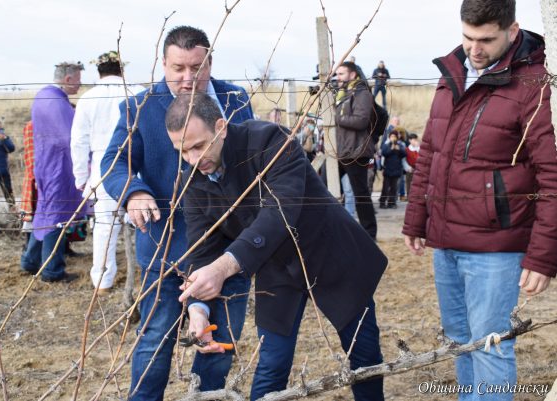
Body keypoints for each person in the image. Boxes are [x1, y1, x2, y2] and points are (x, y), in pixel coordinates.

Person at [167, 93, 387, 401]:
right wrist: (198, 309)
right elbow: (202, 249)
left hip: (330, 253)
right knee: (272, 362)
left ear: (221, 126)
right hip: (275, 269)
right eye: (182, 151)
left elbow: (280, 212)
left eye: (199, 146)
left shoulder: (269, 141)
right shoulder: (192, 181)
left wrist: (224, 267)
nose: (192, 159)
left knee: (363, 353)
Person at [403, 1, 556, 398]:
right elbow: (431, 151)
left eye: (486, 39)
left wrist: (543, 256)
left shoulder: (533, 85)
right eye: (468, 37)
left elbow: (552, 176)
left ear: (513, 30)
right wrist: (416, 217)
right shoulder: (452, 73)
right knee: (460, 340)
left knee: (490, 345)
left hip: (496, 246)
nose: (475, 48)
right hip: (446, 241)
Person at [101, 26, 254, 401]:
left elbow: (251, 157)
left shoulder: (235, 99)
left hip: (226, 248)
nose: (188, 78)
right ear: (163, 64)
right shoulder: (138, 106)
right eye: (178, 68)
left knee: (220, 339)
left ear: (210, 63)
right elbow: (114, 162)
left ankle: (208, 396)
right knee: (155, 338)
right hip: (163, 246)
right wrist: (133, 192)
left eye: (196, 68)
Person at [70, 51, 145, 294]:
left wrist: (81, 177)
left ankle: (103, 281)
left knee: (104, 227)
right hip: (137, 167)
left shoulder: (88, 98)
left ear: (98, 71)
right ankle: (150, 273)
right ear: (121, 69)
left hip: (103, 170)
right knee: (145, 223)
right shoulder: (137, 93)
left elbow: (78, 141)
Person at [20, 61, 85, 283]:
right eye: (78, 80)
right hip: (58, 169)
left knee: (45, 214)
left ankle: (30, 261)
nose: (80, 85)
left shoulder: (43, 97)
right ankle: (52, 270)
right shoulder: (56, 102)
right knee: (56, 218)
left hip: (46, 166)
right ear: (68, 79)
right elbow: (69, 138)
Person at [335, 61, 378, 239]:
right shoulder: (341, 94)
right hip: (339, 151)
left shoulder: (362, 93)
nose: (337, 78)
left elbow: (361, 120)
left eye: (341, 74)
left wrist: (335, 117)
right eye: (336, 74)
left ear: (353, 75)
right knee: (320, 187)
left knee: (360, 194)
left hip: (356, 152)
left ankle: (369, 233)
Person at [379, 130, 405, 209]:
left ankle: (392, 203)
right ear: (389, 137)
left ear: (397, 138)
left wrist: (399, 150)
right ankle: (382, 203)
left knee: (394, 188)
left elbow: (404, 154)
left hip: (396, 170)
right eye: (391, 136)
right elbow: (384, 153)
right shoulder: (386, 145)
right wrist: (391, 149)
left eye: (394, 137)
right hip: (388, 170)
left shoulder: (400, 145)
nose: (393, 138)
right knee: (385, 188)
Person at [404, 133, 419, 198]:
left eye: (416, 139)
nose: (415, 141)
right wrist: (408, 167)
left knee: (418, 184)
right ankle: (409, 197)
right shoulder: (407, 149)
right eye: (413, 139)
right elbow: (404, 160)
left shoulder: (419, 149)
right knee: (409, 183)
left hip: (418, 169)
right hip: (410, 168)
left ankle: (417, 196)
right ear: (410, 140)